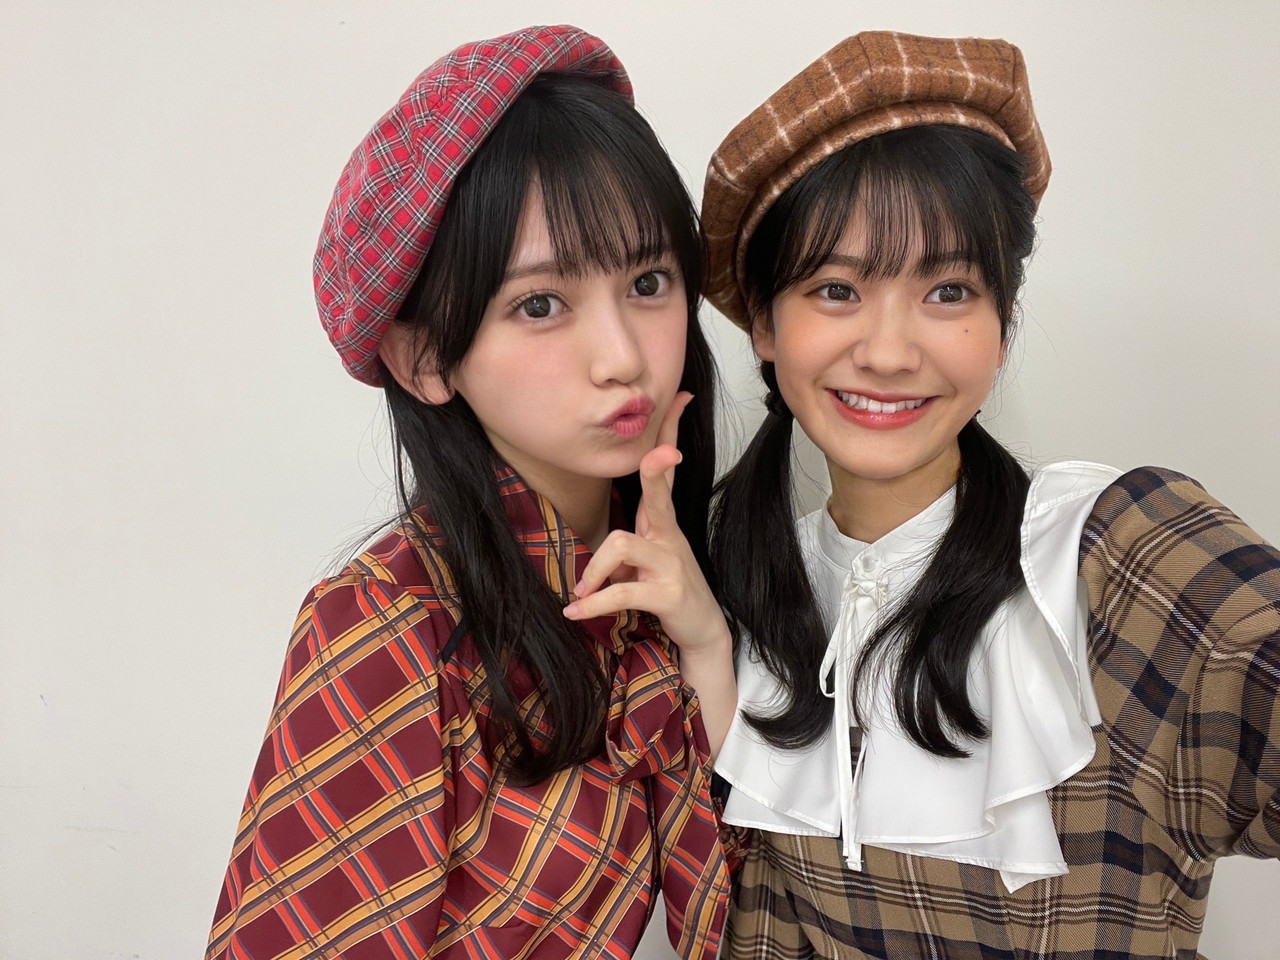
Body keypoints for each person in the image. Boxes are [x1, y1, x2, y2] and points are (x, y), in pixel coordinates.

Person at [702, 31, 1279, 959]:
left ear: (1001, 327)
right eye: (837, 288)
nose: (890, 352)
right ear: (765, 327)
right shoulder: (747, 594)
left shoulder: (1111, 556)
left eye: (948, 291)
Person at [205, 25, 739, 960]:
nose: (624, 357)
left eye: (649, 281)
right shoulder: (389, 628)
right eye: (540, 304)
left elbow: (754, 917)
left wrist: (707, 647)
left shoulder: (654, 589)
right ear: (424, 359)